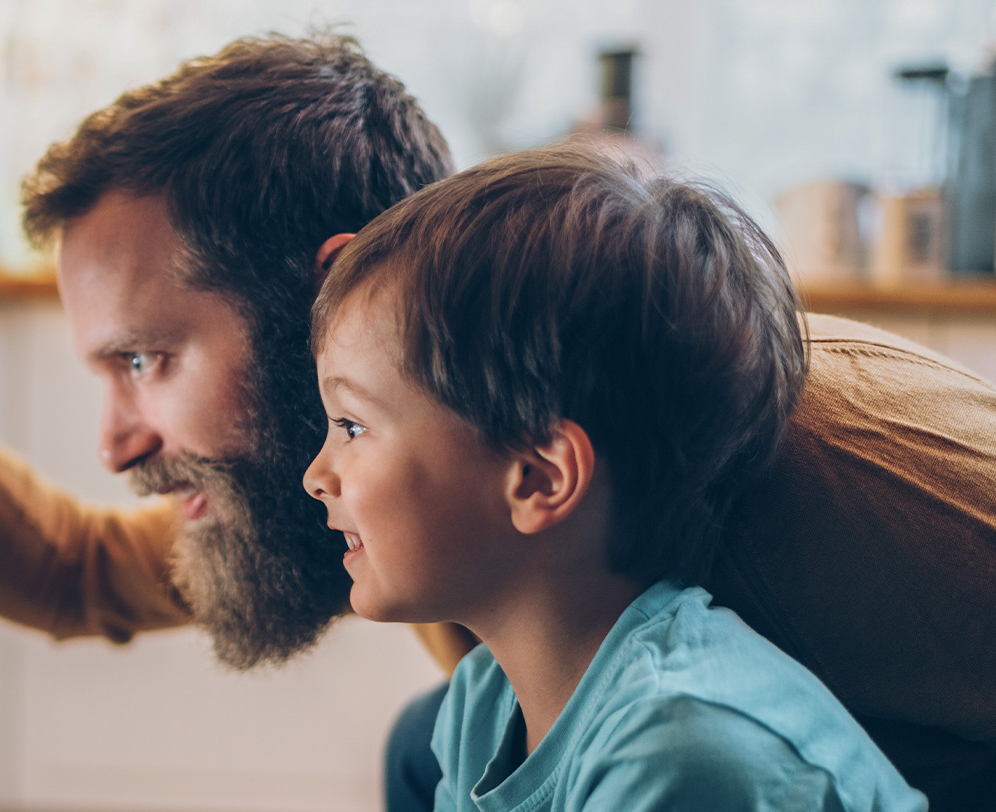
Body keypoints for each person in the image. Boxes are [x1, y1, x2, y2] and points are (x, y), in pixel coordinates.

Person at [0, 33, 996, 809]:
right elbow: (67, 569)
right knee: (434, 743)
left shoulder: (830, 474)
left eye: (146, 359)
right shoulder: (412, 480)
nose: (120, 439)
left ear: (326, 295)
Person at [304, 143, 923, 810]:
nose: (317, 474)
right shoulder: (485, 697)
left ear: (539, 478)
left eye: (353, 427)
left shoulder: (681, 753)